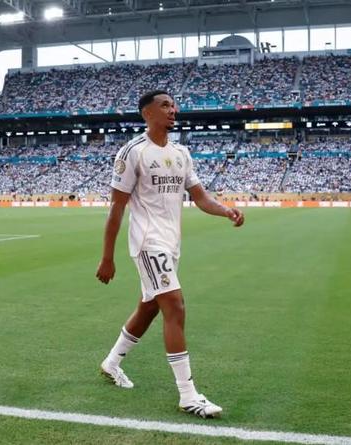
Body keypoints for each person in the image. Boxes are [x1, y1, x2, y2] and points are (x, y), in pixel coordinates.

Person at [96, 90, 244, 419]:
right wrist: (107, 257)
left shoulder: (181, 153)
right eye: (164, 105)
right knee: (174, 306)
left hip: (171, 244)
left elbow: (200, 197)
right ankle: (188, 395)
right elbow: (116, 208)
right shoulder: (133, 152)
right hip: (148, 242)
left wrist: (225, 210)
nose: (172, 109)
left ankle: (112, 362)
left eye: (173, 105)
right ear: (147, 113)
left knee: (149, 308)